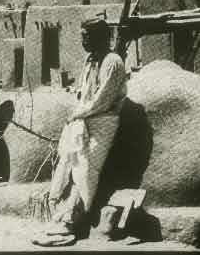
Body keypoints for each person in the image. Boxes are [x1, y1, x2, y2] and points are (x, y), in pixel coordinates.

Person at [33, 18, 127, 246]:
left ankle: (70, 223)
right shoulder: (90, 60)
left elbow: (103, 100)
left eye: (87, 36)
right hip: (83, 120)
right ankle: (59, 216)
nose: (83, 41)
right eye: (82, 36)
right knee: (68, 165)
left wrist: (78, 114)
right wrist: (78, 114)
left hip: (102, 123)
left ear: (100, 37)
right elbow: (84, 93)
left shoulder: (113, 62)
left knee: (85, 171)